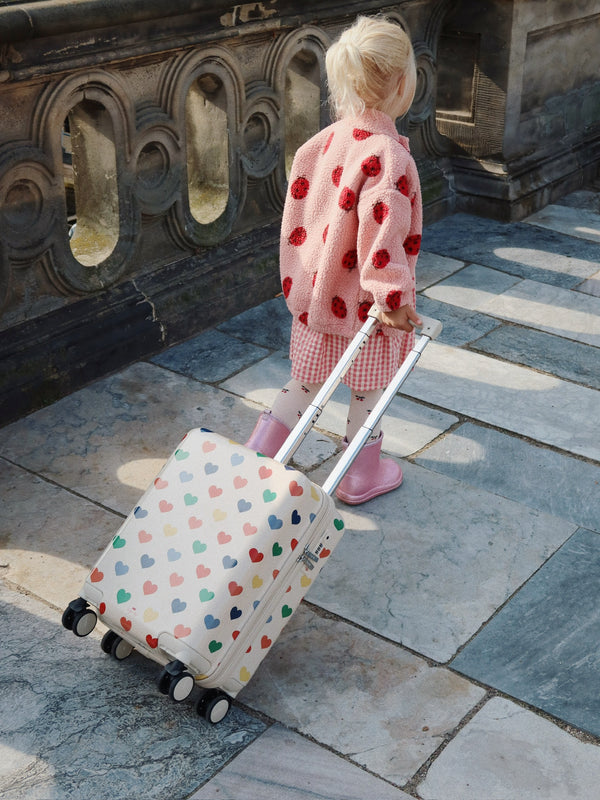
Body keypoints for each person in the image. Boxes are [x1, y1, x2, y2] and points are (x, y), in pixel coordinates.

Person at [246, 14, 422, 505]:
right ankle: (359, 474)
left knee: (303, 383)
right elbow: (383, 230)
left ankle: (257, 460)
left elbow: (301, 215)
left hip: (318, 297)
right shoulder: (388, 156)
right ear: (404, 84)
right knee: (367, 393)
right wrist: (391, 296)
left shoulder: (322, 143)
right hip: (365, 308)